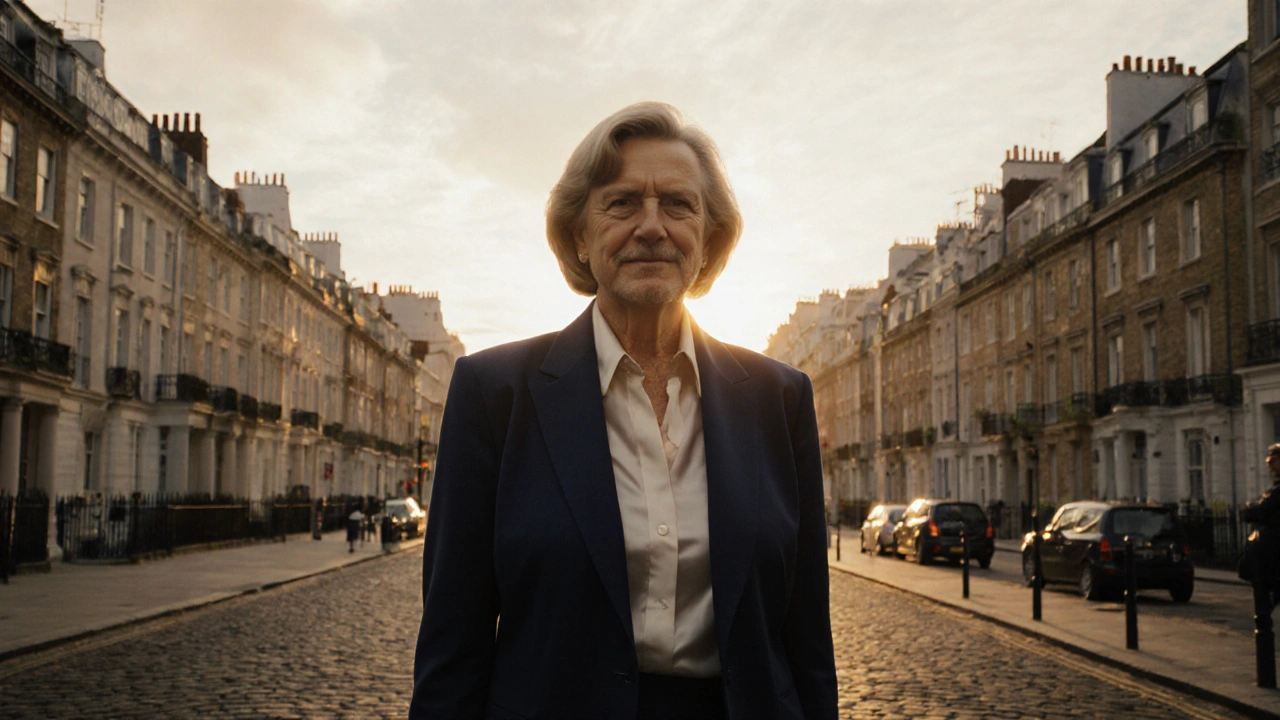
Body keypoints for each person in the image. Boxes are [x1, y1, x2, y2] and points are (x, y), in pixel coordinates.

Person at [409, 102, 836, 720]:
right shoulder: (493, 394)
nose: (652, 226)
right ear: (579, 235)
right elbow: (454, 639)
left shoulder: (780, 397)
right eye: (622, 203)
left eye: (679, 205)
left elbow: (806, 637)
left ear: (709, 238)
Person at [1242, 443, 1280, 606]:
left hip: (1273, 551)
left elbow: (1260, 510)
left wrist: (1251, 508)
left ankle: (1263, 630)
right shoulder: (1275, 488)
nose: (1270, 466)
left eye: (1274, 461)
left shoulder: (1277, 492)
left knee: (1263, 590)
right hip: (1271, 551)